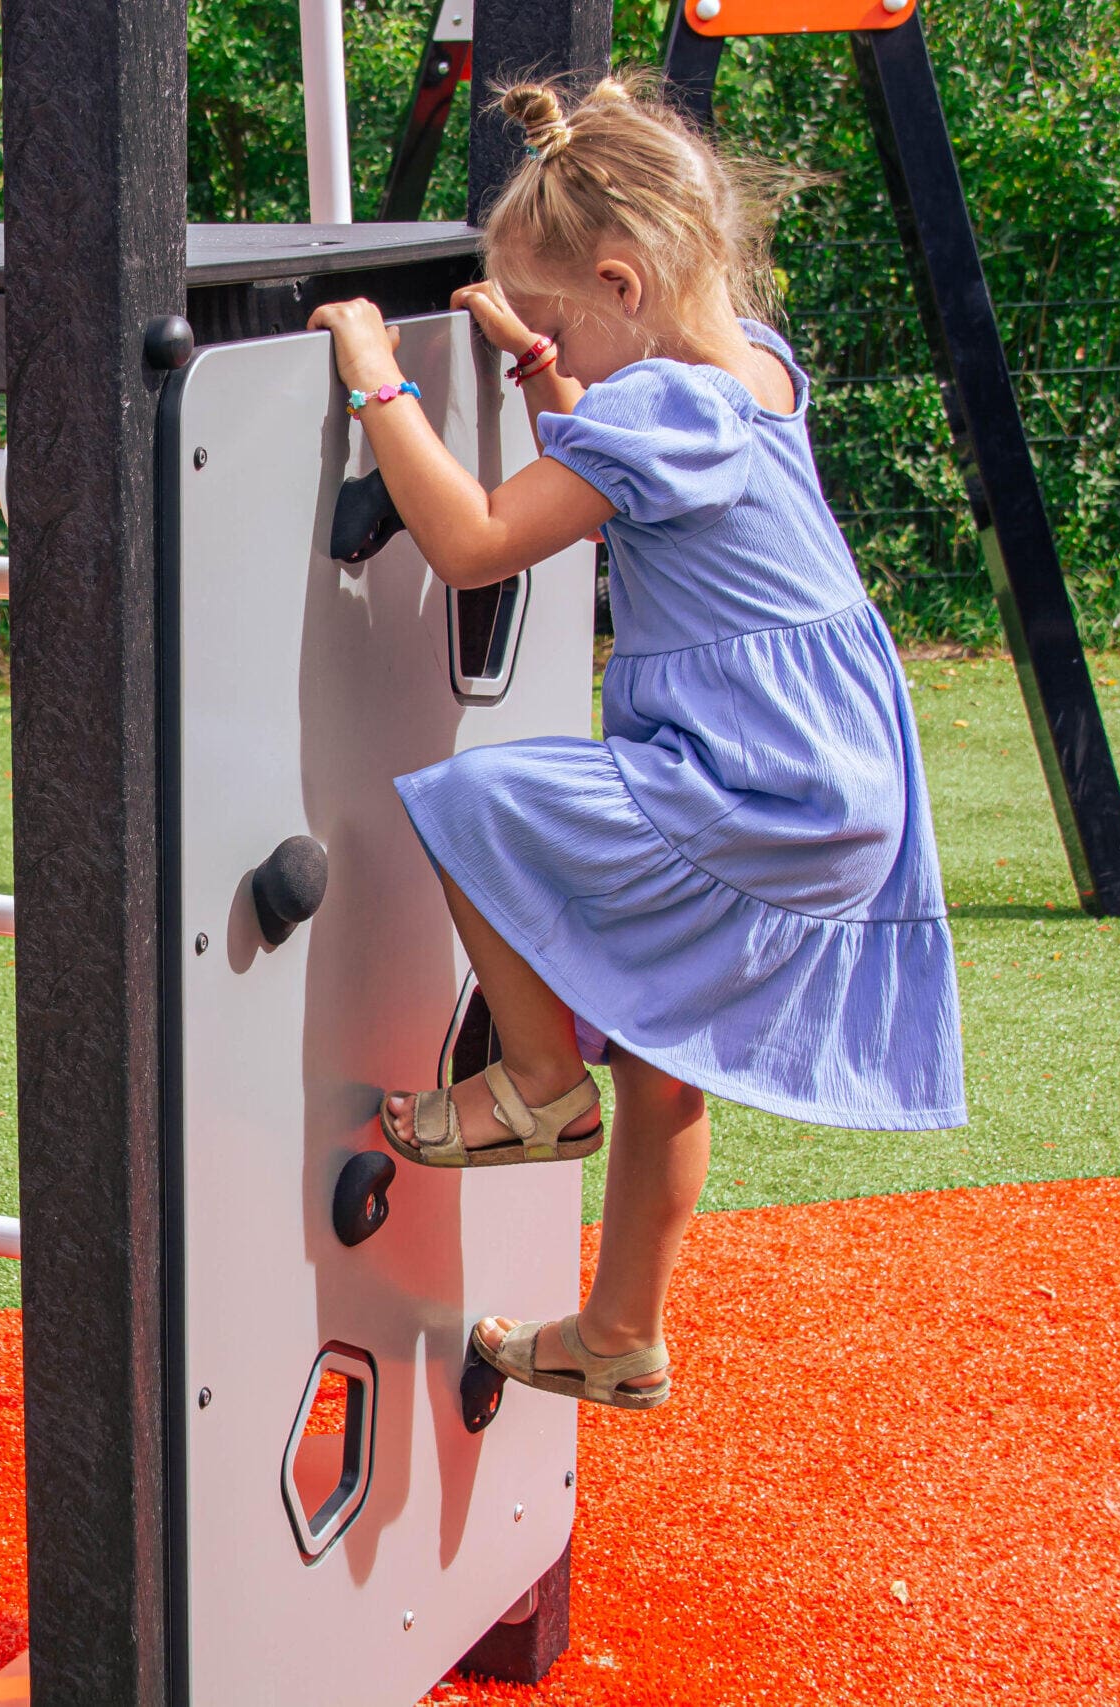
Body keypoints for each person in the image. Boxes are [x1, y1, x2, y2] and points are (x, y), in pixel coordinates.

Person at [309, 75, 964, 1413]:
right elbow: (628, 493)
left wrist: (382, 389)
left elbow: (483, 537)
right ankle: (619, 1332)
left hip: (759, 778)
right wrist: (553, 371)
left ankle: (542, 1080)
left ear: (621, 281)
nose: (548, 342)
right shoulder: (752, 369)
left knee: (474, 803)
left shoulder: (667, 412)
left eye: (554, 318)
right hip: (833, 771)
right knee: (667, 1050)